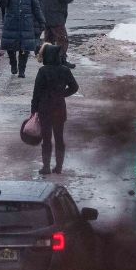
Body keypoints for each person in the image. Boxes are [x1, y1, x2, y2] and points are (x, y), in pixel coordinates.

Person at [31, 42, 79, 175]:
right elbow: (74, 87)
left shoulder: (43, 71)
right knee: (59, 138)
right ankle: (59, 167)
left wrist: (33, 111)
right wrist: (63, 94)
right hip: (59, 108)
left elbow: (36, 93)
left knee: (46, 139)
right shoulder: (65, 70)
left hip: (45, 109)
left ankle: (46, 167)